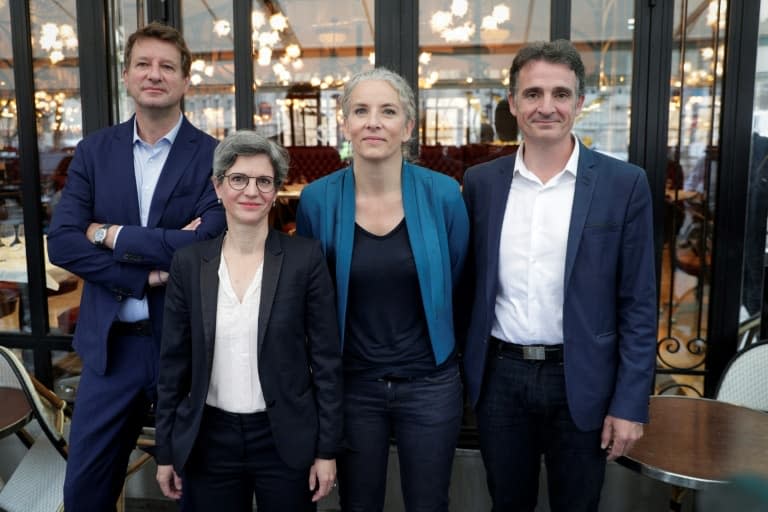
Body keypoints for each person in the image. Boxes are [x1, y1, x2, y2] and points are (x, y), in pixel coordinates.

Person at [460, 40, 657, 512]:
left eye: (560, 94)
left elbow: (639, 303)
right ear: (512, 103)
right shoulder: (481, 183)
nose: (546, 107)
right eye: (532, 94)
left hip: (583, 380)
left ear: (580, 104)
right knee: (508, 502)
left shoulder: (624, 184)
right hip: (500, 381)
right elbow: (465, 287)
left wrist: (630, 403)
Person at [47, 22, 226, 511]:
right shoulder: (93, 152)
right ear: (126, 76)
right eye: (143, 64)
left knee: (200, 489)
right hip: (112, 352)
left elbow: (208, 241)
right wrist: (140, 275)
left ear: (186, 81)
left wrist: (110, 234)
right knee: (84, 492)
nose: (155, 75)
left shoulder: (214, 157)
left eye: (167, 66)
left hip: (188, 350)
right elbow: (62, 242)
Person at [296, 68, 469, 512]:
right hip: (352, 386)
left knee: (429, 502)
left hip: (430, 384)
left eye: (388, 111)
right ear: (344, 122)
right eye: (361, 110)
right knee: (358, 503)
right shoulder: (317, 199)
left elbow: (458, 280)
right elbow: (311, 297)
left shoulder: (445, 194)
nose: (374, 122)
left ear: (408, 127)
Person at [154, 131, 342, 511]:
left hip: (284, 438)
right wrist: (165, 450)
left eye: (263, 181)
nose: (250, 191)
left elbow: (326, 362)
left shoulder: (305, 259)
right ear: (218, 186)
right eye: (238, 179)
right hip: (209, 439)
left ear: (275, 191)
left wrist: (327, 451)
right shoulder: (189, 265)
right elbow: (173, 365)